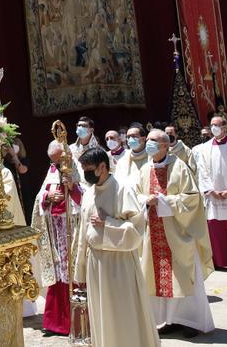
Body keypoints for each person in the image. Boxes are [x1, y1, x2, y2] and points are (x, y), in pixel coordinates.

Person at [72, 147, 160, 347]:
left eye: (89, 169)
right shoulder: (88, 194)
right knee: (101, 313)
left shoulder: (123, 189)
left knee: (123, 312)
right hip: (96, 263)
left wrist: (109, 222)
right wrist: (81, 268)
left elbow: (137, 231)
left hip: (119, 263)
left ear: (103, 166)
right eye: (84, 169)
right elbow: (83, 234)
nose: (86, 173)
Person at [137, 130, 215, 338]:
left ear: (165, 146)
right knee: (159, 278)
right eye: (148, 140)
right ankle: (170, 319)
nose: (148, 144)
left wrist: (163, 201)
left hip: (178, 232)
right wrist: (145, 201)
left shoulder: (180, 167)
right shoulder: (145, 169)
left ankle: (190, 320)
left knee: (183, 277)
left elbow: (192, 199)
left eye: (153, 141)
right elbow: (137, 195)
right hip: (153, 233)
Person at [32, 141, 82, 336]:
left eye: (58, 161)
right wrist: (47, 196)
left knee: (73, 272)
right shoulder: (52, 169)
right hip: (55, 229)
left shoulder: (77, 167)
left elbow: (89, 195)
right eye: (53, 161)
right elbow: (40, 197)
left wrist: (73, 188)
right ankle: (56, 323)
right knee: (58, 271)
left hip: (73, 227)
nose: (56, 165)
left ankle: (76, 322)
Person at [192, 115, 227, 270]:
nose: (214, 128)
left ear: (225, 127)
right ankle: (219, 260)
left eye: (217, 125)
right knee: (215, 229)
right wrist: (210, 190)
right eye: (212, 125)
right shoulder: (203, 148)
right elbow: (201, 171)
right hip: (213, 194)